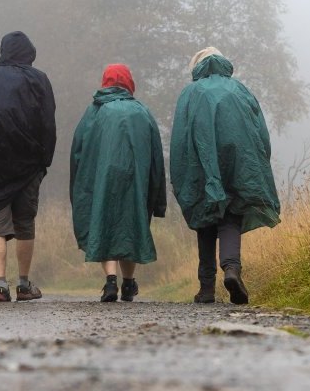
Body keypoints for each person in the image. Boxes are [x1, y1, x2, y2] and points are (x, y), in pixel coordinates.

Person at [170, 47, 280, 304]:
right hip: (241, 161)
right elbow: (260, 130)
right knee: (231, 215)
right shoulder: (240, 89)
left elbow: (179, 139)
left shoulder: (190, 92)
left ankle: (206, 288)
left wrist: (180, 173)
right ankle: (231, 269)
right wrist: (261, 160)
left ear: (196, 67)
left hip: (201, 161)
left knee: (205, 217)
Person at [0, 31, 57, 303]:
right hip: (28, 162)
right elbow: (48, 123)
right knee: (25, 222)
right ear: (29, 52)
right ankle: (24, 284)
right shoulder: (38, 79)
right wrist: (44, 161)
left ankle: (0, 285)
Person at [69, 64, 167, 303]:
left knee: (104, 223)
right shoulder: (142, 112)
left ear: (106, 81)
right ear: (128, 82)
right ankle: (129, 282)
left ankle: (110, 281)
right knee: (130, 226)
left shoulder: (94, 111)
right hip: (136, 180)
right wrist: (158, 196)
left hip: (100, 179)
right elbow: (156, 155)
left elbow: (77, 151)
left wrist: (78, 187)